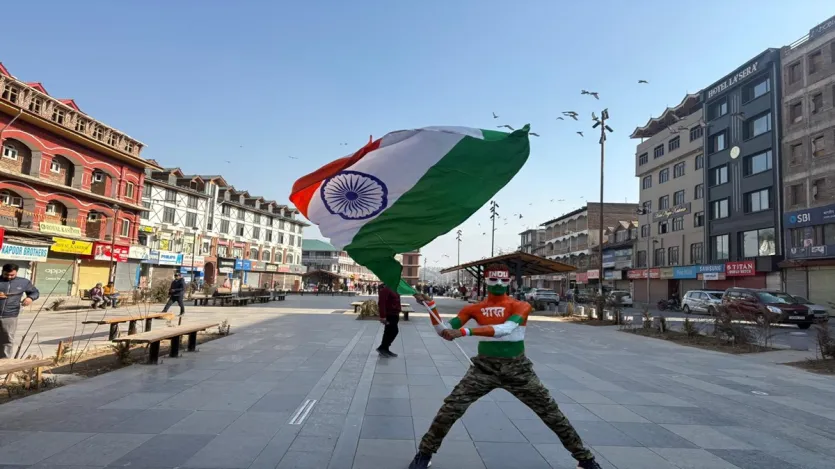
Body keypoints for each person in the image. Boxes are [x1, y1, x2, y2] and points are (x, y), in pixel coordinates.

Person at [408, 264, 601, 469]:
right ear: (485, 280)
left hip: (518, 370)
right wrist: (431, 307)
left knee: (552, 414)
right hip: (484, 369)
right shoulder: (474, 308)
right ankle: (424, 454)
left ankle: (585, 459)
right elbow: (445, 331)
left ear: (510, 281)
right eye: (494, 279)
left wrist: (466, 333)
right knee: (450, 410)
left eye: (503, 280)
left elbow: (506, 329)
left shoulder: (521, 306)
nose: (499, 284)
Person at [0, 263, 39, 359]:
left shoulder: (24, 282)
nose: (9, 277)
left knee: (7, 339)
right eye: (6, 274)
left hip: (10, 315)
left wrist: (30, 298)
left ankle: (4, 363)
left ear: (16, 273)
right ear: (2, 272)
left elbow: (35, 292)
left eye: (12, 275)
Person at [376, 283, 401, 357]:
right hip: (389, 314)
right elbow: (381, 303)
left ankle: (385, 349)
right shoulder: (386, 289)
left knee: (388, 332)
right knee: (394, 331)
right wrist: (382, 316)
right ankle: (382, 348)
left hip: (395, 314)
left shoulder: (394, 288)